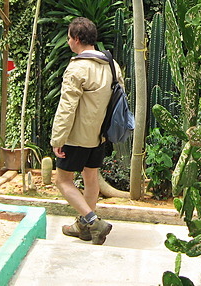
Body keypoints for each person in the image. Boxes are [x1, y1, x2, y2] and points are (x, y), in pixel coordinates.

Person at [50, 17, 120, 245]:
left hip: (76, 136)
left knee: (63, 181)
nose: (69, 42)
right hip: (100, 135)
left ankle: (93, 222)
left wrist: (58, 138)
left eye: (70, 38)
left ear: (77, 39)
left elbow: (67, 107)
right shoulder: (112, 64)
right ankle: (83, 227)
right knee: (90, 177)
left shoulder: (77, 68)